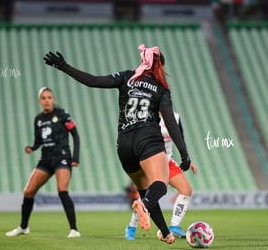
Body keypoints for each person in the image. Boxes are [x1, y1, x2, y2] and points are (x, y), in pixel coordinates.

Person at [44, 44, 193, 244]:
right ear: (160, 67)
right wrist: (184, 152)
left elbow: (93, 81)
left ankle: (165, 232)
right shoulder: (161, 89)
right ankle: (144, 205)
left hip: (124, 144)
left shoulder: (126, 77)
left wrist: (63, 66)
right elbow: (170, 122)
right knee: (160, 184)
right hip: (148, 138)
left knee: (144, 189)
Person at [6, 87, 81, 238]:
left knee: (62, 190)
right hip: (46, 159)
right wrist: (32, 147)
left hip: (62, 157)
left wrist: (75, 157)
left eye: (49, 97)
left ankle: (74, 230)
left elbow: (75, 135)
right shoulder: (38, 119)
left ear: (53, 99)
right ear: (40, 101)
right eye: (44, 98)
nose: (47, 100)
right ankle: (23, 227)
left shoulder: (63, 114)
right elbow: (38, 141)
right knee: (28, 192)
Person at [125, 111, 198, 240]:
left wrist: (187, 157)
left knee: (186, 190)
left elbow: (180, 138)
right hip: (150, 160)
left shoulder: (175, 117)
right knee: (149, 194)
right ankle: (132, 226)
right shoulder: (145, 114)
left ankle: (174, 226)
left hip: (168, 160)